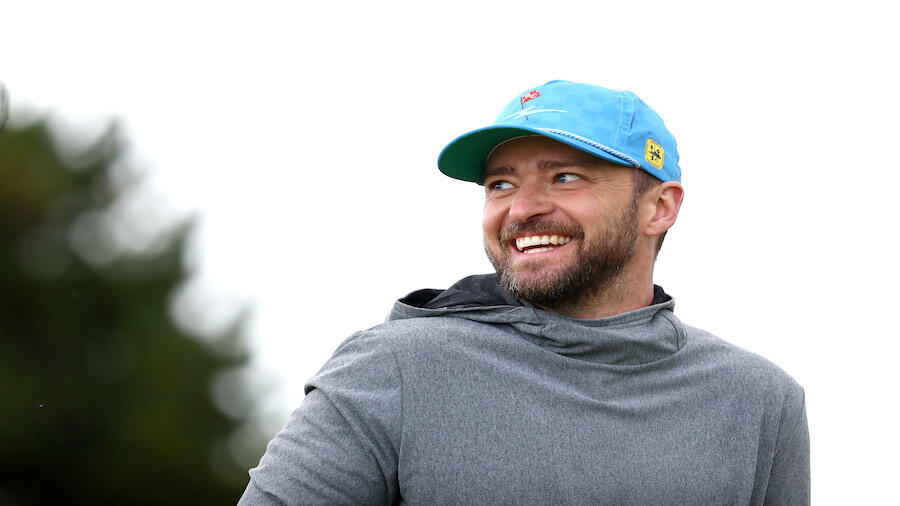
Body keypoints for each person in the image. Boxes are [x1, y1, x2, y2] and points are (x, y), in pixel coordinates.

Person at [239, 80, 809, 505]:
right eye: (500, 184)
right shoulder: (394, 369)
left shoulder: (760, 400)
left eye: (564, 177)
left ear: (659, 207)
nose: (520, 209)